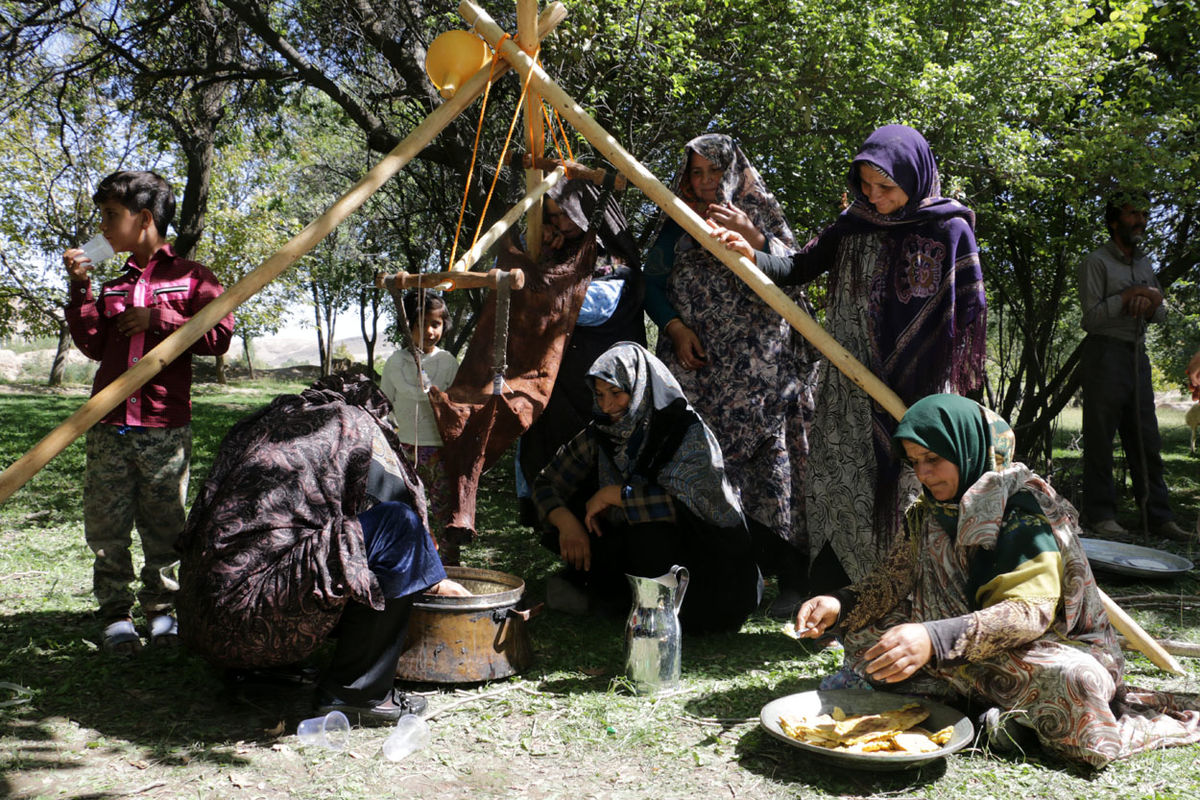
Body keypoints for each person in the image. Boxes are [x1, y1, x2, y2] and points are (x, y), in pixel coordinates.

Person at [792, 393, 1200, 768]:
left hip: (1035, 648)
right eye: (914, 462)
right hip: (962, 649)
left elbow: (1030, 614)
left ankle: (986, 712)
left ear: (964, 448)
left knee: (1076, 681)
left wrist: (932, 639)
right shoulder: (930, 510)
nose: (923, 473)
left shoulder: (1021, 511)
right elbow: (892, 581)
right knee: (867, 633)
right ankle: (989, 714)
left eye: (933, 458)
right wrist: (839, 603)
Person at [714, 124, 986, 592]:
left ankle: (905, 600)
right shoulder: (855, 222)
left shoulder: (948, 228)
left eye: (886, 187)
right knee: (838, 487)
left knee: (903, 495)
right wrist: (754, 253)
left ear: (915, 178)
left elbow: (965, 318)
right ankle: (838, 603)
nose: (873, 196)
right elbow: (799, 266)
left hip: (912, 392)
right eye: (866, 184)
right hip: (845, 384)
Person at [177, 371, 469, 725]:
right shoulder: (354, 425)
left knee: (307, 536)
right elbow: (399, 510)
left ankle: (262, 670)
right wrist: (433, 577)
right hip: (258, 619)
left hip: (202, 621)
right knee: (397, 526)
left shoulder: (275, 419)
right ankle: (357, 693)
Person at [644, 133, 817, 617]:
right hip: (700, 369)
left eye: (713, 172)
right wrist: (675, 328)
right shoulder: (676, 221)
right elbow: (651, 284)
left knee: (773, 465)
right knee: (707, 462)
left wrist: (753, 235)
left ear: (733, 171)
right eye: (695, 173)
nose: (703, 183)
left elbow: (794, 267)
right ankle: (717, 573)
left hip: (761, 374)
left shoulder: (759, 211)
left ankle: (787, 575)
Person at [62, 170, 234, 656]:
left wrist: (163, 320)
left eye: (111, 217)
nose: (103, 227)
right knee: (106, 524)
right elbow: (94, 345)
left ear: (143, 220)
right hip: (109, 424)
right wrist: (81, 293)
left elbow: (219, 336)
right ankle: (116, 614)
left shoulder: (194, 278)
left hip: (163, 426)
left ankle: (162, 611)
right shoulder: (114, 284)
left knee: (164, 523)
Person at [531, 342, 760, 633]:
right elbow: (546, 482)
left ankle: (641, 607)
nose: (607, 406)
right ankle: (611, 595)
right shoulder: (601, 430)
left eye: (617, 393)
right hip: (635, 553)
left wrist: (616, 495)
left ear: (640, 387)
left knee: (649, 532)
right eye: (599, 395)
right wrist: (566, 523)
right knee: (586, 517)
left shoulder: (685, 431)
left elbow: (692, 509)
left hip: (701, 561)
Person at [515, 177, 645, 524]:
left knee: (603, 489)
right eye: (553, 217)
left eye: (566, 213)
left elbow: (580, 306)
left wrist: (537, 279)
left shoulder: (612, 262)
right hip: (560, 397)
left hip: (603, 394)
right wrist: (540, 254)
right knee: (557, 481)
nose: (560, 223)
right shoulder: (557, 254)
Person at [1077, 191, 1189, 540]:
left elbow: (1163, 312)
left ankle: (1158, 517)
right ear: (1113, 221)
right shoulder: (1095, 262)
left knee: (1147, 438)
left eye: (1143, 213)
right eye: (1131, 214)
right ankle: (1101, 516)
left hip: (1136, 354)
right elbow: (1091, 319)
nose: (1140, 220)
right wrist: (1126, 298)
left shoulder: (1145, 263)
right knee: (1100, 439)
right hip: (1103, 353)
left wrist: (1151, 298)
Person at [379, 290, 461, 563]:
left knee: (441, 509)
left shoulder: (448, 363)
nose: (429, 331)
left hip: (439, 451)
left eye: (435, 323)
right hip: (404, 452)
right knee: (408, 508)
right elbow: (384, 405)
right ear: (407, 326)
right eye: (420, 324)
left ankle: (446, 566)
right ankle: (413, 563)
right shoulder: (395, 363)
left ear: (444, 325)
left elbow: (458, 406)